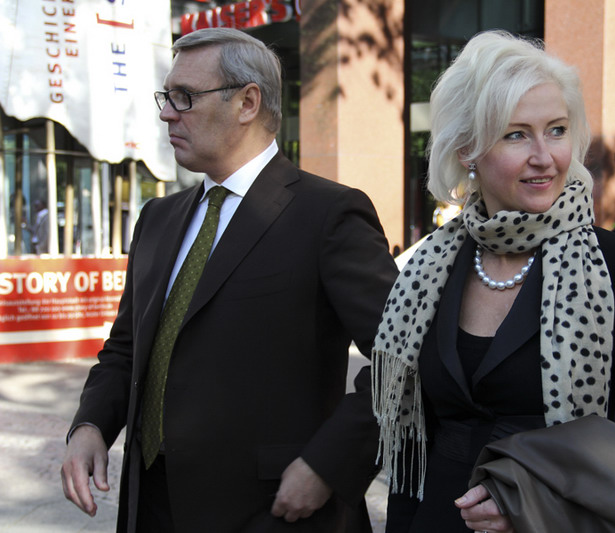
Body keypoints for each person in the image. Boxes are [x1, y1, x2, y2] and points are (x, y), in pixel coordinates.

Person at [60, 27, 398, 533]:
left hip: (274, 512)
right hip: (150, 504)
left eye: (185, 97)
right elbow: (127, 347)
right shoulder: (157, 218)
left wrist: (328, 465)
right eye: (167, 96)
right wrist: (90, 425)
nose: (167, 113)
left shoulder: (328, 214)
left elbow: (403, 357)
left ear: (247, 102)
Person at [370, 31, 615, 533]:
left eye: (556, 130)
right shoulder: (430, 269)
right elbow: (408, 444)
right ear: (467, 149)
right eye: (516, 134)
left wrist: (541, 491)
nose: (544, 156)